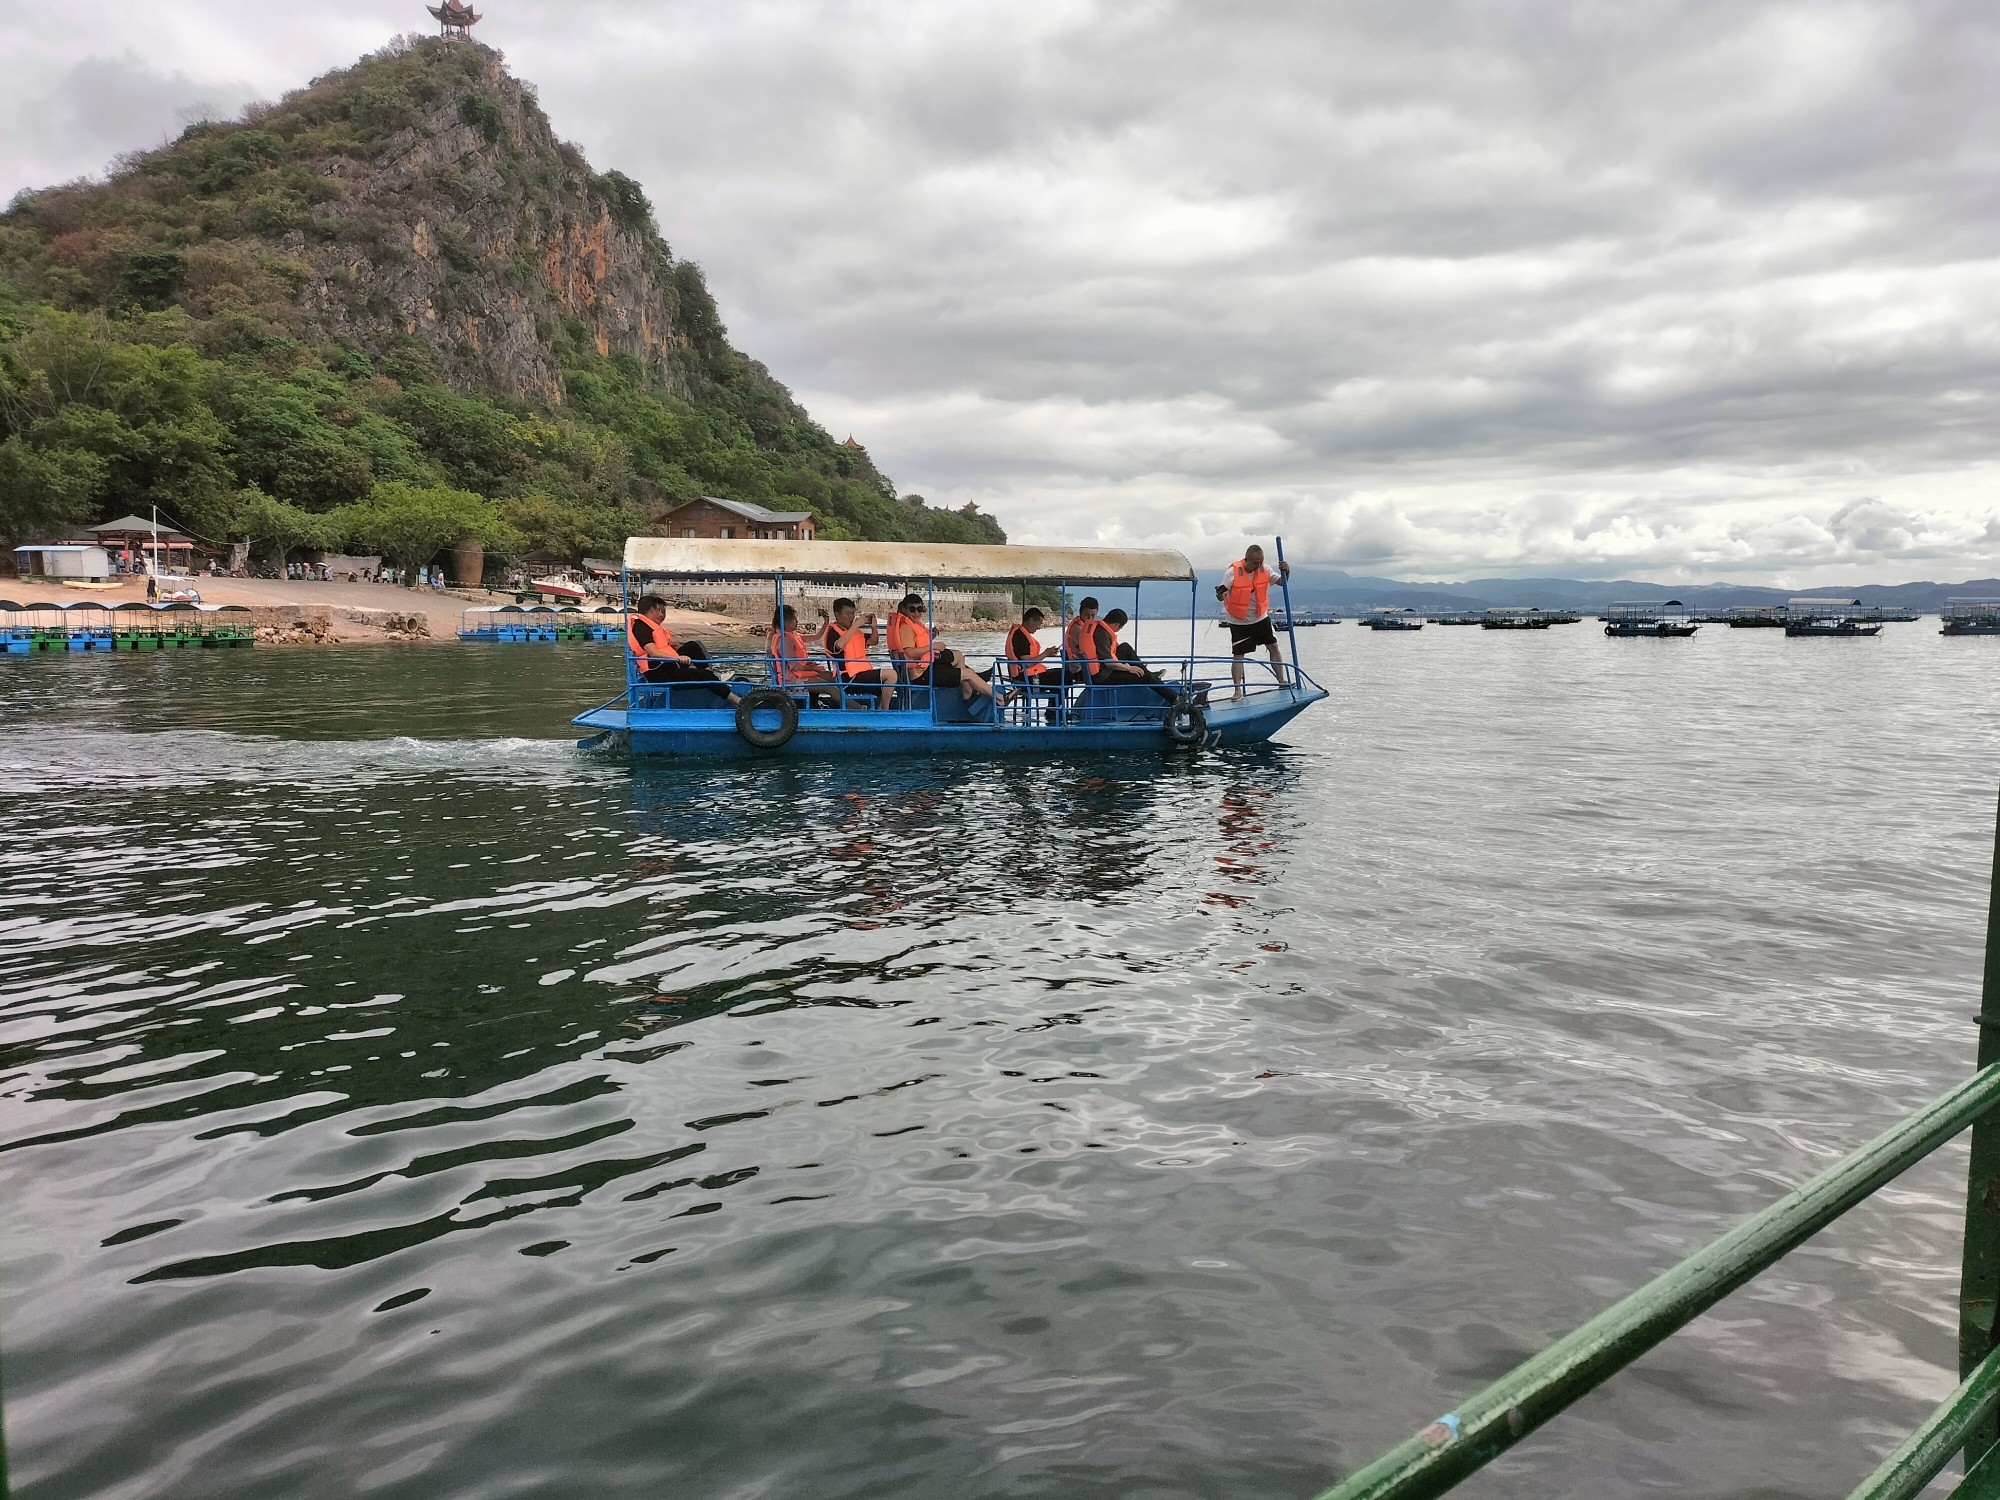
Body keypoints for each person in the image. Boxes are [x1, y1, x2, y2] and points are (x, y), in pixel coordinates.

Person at [886, 593, 995, 710]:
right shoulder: (906, 627)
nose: (916, 613)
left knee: (958, 656)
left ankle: (968, 691)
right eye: (912, 609)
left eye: (920, 609)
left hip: (925, 666)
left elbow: (918, 644)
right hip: (920, 675)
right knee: (968, 674)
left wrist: (931, 640)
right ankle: (997, 698)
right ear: (904, 609)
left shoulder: (912, 624)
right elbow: (910, 653)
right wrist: (933, 646)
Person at [1216, 543, 1291, 699]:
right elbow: (1221, 593)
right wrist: (1220, 594)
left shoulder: (1265, 569)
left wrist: (1287, 571)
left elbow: (1282, 582)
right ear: (1247, 559)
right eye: (1255, 563)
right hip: (1239, 621)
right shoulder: (1232, 573)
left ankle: (1282, 680)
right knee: (1238, 655)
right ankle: (1237, 690)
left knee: (1273, 646)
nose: (1258, 566)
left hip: (1260, 617)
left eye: (1261, 562)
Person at [627, 594, 732, 701]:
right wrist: (677, 658)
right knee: (705, 676)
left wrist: (674, 648)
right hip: (658, 673)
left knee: (692, 646)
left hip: (665, 665)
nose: (661, 614)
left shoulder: (649, 625)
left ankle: (713, 676)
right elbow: (653, 653)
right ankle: (733, 698)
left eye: (663, 612)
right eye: (659, 611)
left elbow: (659, 648)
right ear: (651, 610)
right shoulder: (641, 627)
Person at [823, 597, 894, 709]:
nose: (851, 617)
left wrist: (874, 628)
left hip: (862, 674)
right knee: (891, 675)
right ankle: (885, 712)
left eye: (853, 613)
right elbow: (839, 645)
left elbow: (873, 642)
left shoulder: (855, 632)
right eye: (847, 614)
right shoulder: (833, 632)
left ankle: (880, 710)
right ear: (837, 614)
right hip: (848, 678)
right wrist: (856, 625)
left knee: (885, 687)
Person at [1094, 608, 1178, 701]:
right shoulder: (1102, 635)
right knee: (1141, 675)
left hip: (1105, 669)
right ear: (1116, 624)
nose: (1118, 630)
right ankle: (1175, 699)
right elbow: (1108, 662)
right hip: (1103, 675)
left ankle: (1147, 673)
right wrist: (1129, 668)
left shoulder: (1102, 629)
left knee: (1125, 647)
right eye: (1120, 628)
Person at [768, 605, 839, 706]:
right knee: (831, 688)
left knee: (832, 676)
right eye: (794, 619)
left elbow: (816, 636)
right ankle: (855, 707)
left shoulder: (793, 636)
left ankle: (824, 703)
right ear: (785, 621)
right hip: (791, 678)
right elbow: (794, 665)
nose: (796, 621)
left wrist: (826, 622)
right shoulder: (785, 640)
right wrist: (812, 668)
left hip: (799, 672)